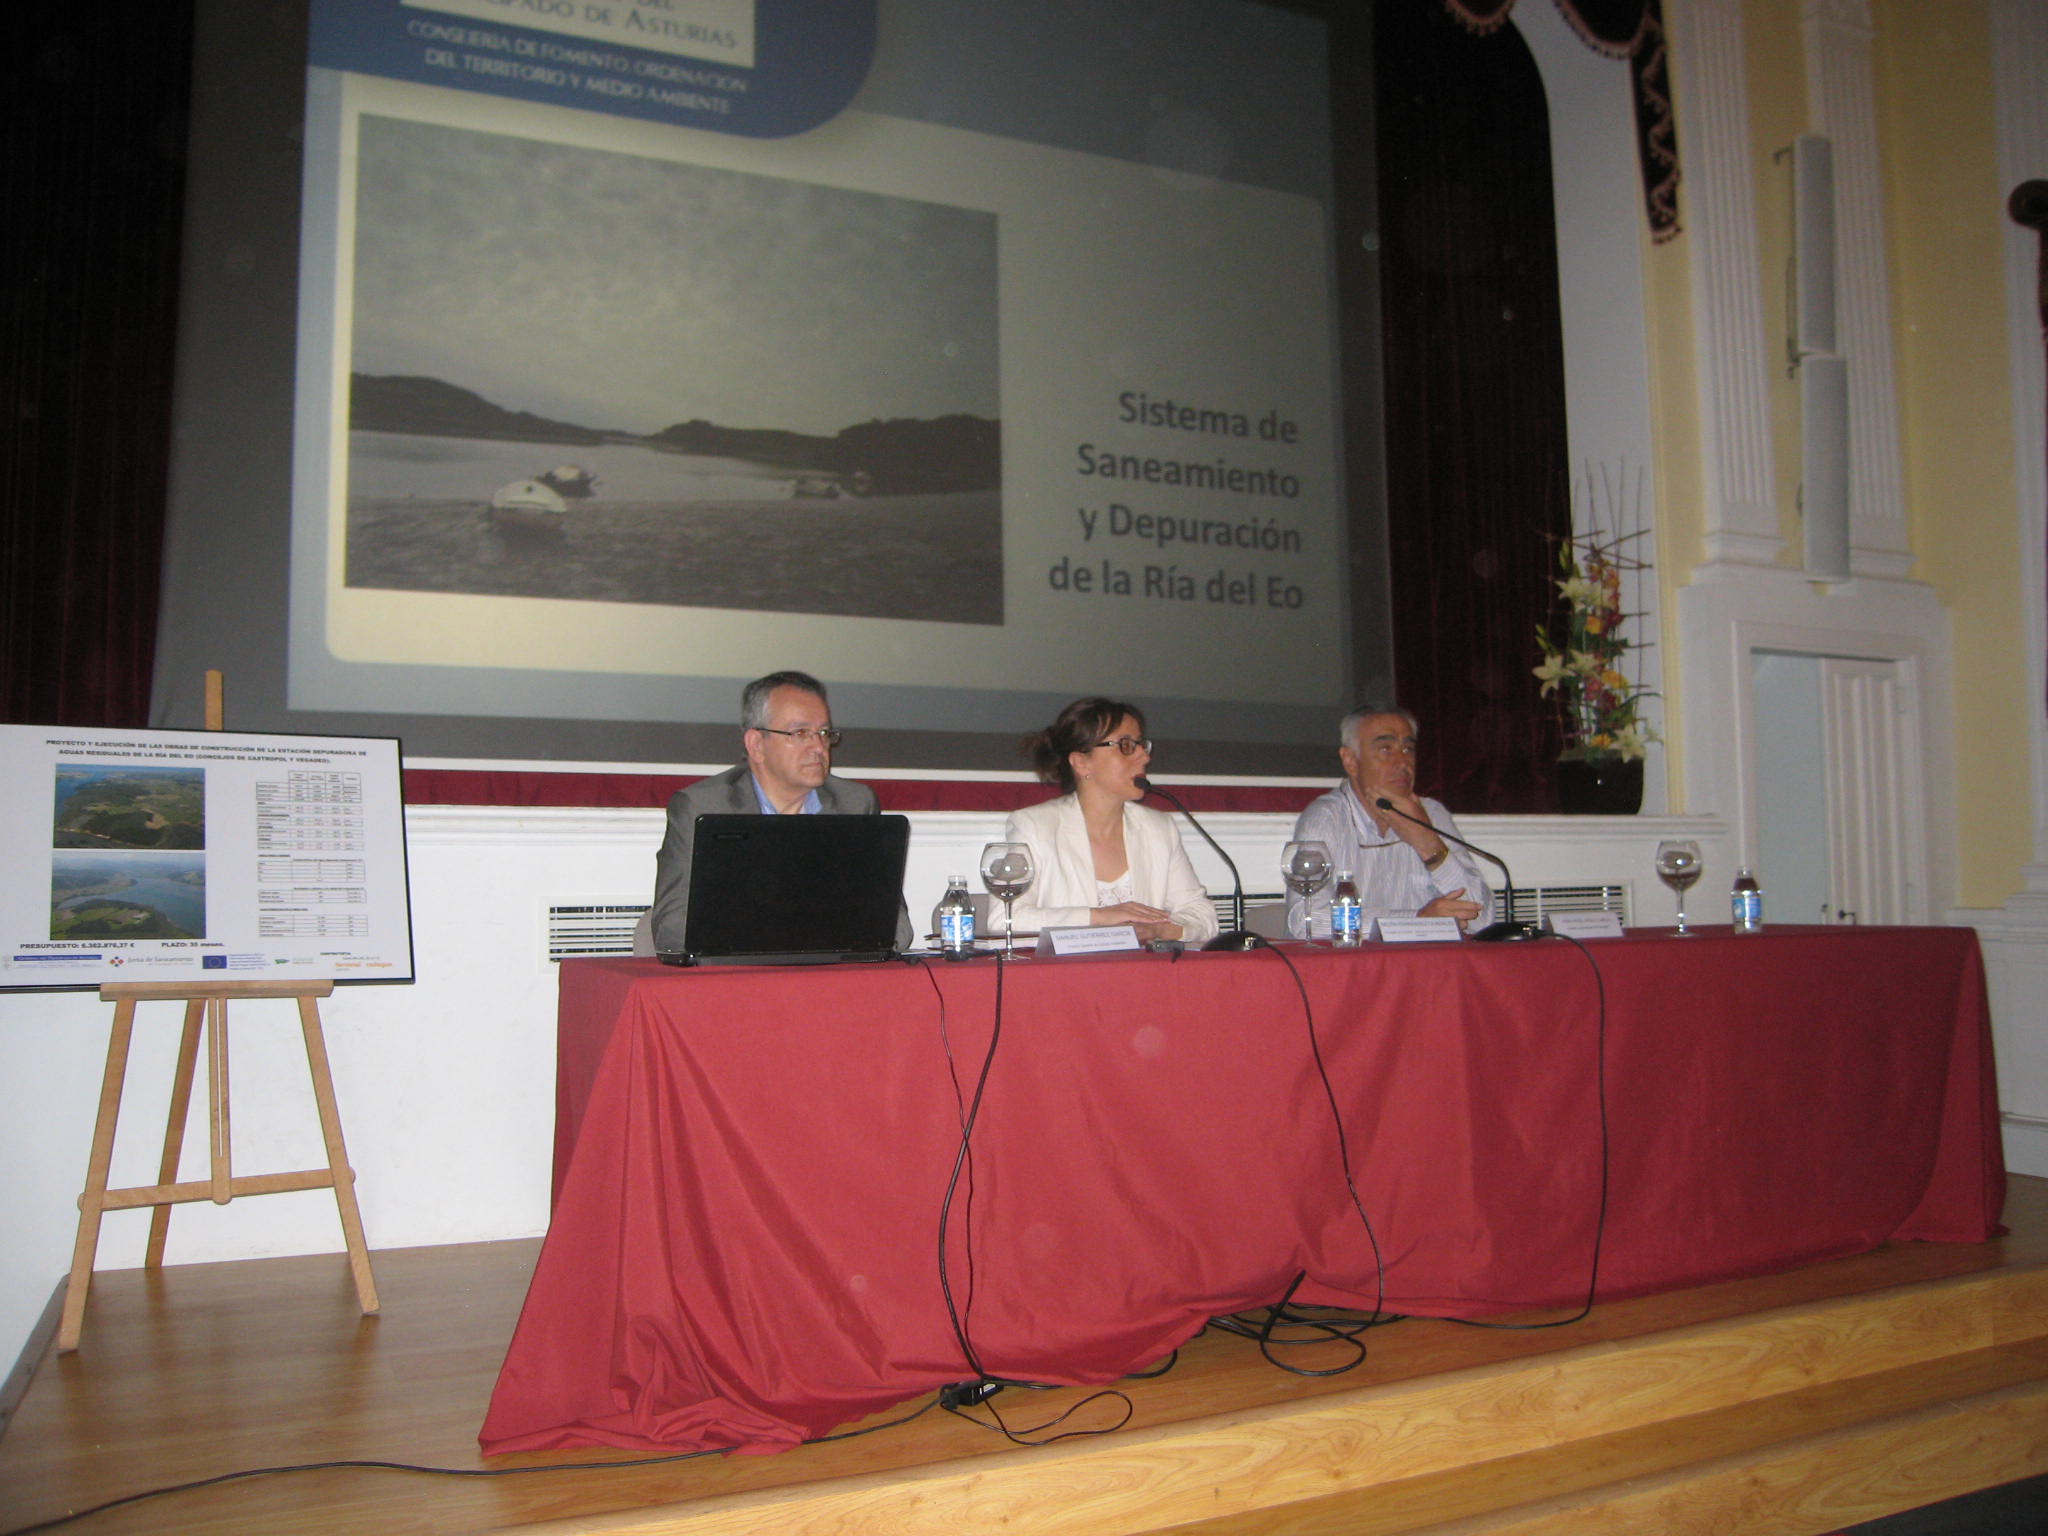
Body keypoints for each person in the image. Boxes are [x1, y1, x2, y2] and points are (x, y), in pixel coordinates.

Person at [649, 670, 911, 953]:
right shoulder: (702, 807)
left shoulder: (855, 805)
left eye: (824, 733)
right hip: (739, 980)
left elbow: (896, 927)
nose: (818, 747)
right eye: (800, 733)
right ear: (756, 745)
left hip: (828, 977)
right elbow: (672, 927)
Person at [1003, 698, 1219, 945]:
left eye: (1141, 745)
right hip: (1067, 978)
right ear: (1081, 762)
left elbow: (1203, 916)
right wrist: (1100, 917)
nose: (1144, 757)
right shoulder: (1034, 826)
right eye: (1126, 745)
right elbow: (1006, 918)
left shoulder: (1159, 828)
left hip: (1145, 975)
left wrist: (1159, 931)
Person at [1286, 703, 1496, 938]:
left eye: (1408, 749)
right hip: (1356, 968)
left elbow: (1483, 920)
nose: (1402, 763)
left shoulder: (1432, 814)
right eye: (1386, 749)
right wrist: (1416, 921)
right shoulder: (1325, 818)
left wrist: (1428, 843)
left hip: (1428, 967)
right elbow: (1305, 919)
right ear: (1350, 761)